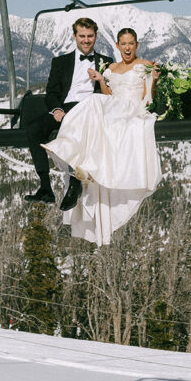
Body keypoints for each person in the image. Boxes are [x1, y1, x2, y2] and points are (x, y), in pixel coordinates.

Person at [41, 28, 162, 246]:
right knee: (94, 101)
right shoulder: (112, 67)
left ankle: (69, 150)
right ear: (117, 45)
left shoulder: (145, 65)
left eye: (131, 44)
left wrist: (153, 80)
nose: (127, 48)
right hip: (114, 104)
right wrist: (101, 79)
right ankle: (74, 155)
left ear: (137, 45)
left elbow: (147, 97)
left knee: (92, 101)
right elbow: (108, 95)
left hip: (131, 107)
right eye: (123, 44)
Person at [24, 17, 114, 208]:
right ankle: (45, 187)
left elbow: (108, 92)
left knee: (78, 131)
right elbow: (52, 93)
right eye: (82, 36)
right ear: (74, 36)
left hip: (90, 108)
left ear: (95, 37)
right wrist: (56, 110)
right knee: (34, 129)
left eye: (90, 36)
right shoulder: (60, 62)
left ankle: (75, 182)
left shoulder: (106, 62)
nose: (86, 40)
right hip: (65, 109)